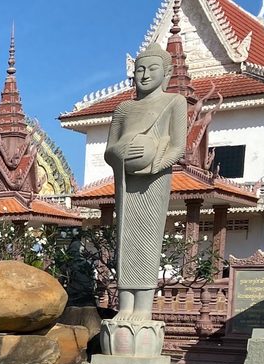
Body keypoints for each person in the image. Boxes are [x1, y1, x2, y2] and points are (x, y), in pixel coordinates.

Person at [104, 44, 187, 321]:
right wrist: (123, 154)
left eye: (152, 69)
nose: (145, 75)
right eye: (140, 69)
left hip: (154, 182)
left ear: (167, 72)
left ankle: (143, 308)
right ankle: (125, 306)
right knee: (125, 241)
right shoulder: (123, 108)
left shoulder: (174, 102)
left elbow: (178, 147)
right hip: (126, 183)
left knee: (147, 240)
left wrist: (152, 163)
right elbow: (109, 149)